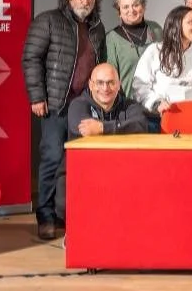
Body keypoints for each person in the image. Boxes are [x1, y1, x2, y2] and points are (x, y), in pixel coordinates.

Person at [22, 0, 106, 240]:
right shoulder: (48, 20)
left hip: (83, 107)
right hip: (56, 105)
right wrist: (37, 96)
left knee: (78, 163)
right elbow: (30, 58)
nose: (86, 1)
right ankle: (45, 215)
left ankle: (68, 214)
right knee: (52, 160)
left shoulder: (97, 27)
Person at [55, 64, 148, 224]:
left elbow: (140, 125)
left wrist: (103, 128)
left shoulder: (130, 106)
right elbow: (81, 129)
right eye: (100, 83)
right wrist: (121, 128)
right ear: (91, 85)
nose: (105, 88)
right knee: (64, 204)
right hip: (81, 171)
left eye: (111, 82)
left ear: (119, 85)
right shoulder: (78, 104)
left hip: (119, 171)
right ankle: (74, 229)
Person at [132, 6, 192, 118]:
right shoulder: (155, 51)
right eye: (191, 22)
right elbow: (139, 86)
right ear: (177, 25)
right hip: (158, 120)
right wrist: (156, 103)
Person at [105, 0, 163, 98]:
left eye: (136, 5)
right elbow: (110, 77)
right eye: (126, 7)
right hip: (129, 105)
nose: (131, 10)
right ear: (119, 12)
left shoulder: (156, 29)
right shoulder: (111, 39)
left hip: (159, 102)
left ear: (144, 7)